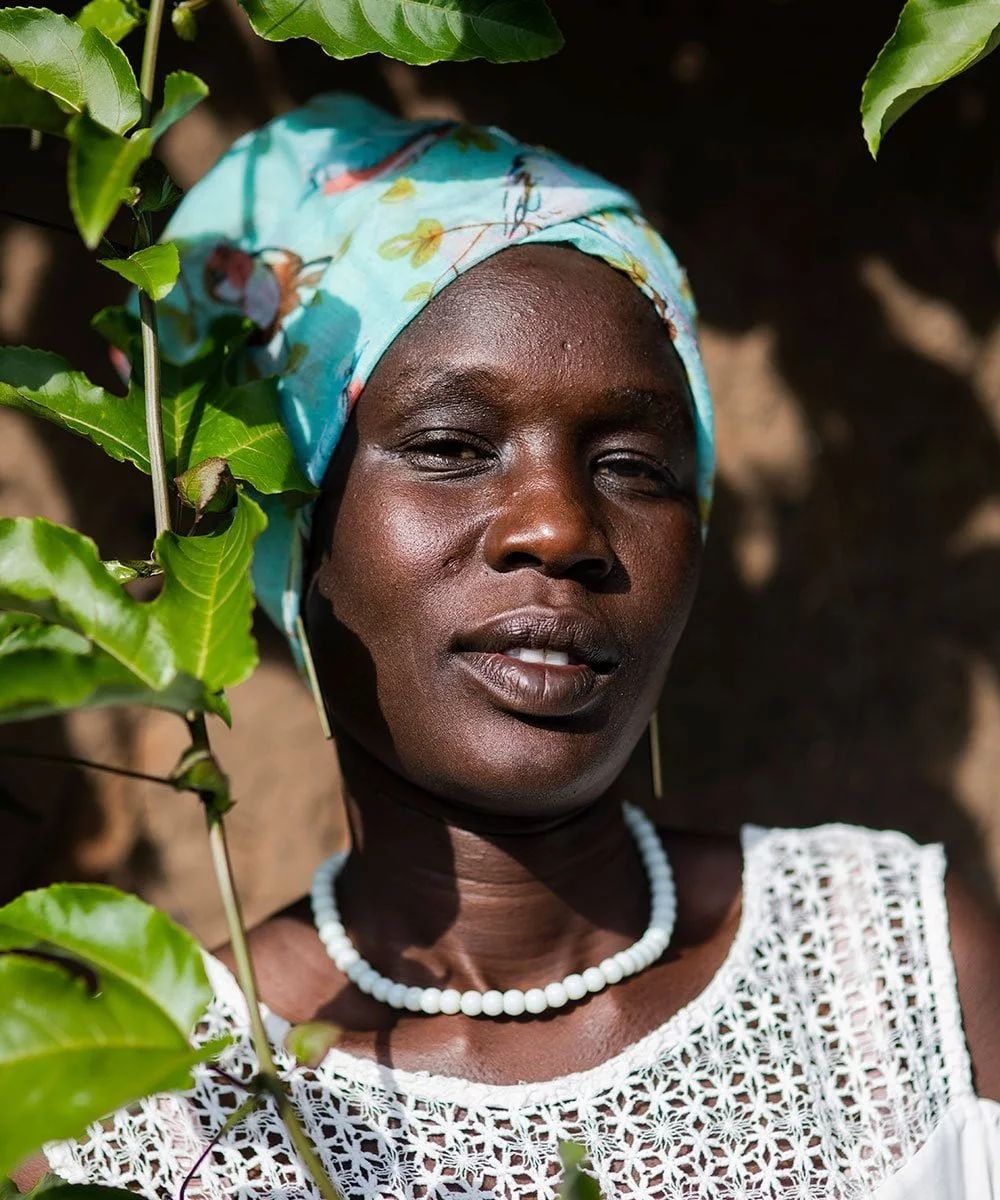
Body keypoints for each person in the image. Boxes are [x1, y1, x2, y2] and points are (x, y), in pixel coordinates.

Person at [32, 94, 1000, 1198]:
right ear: (292, 527)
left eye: (633, 466)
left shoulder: (895, 972)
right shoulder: (150, 1124)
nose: (559, 527)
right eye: (450, 446)